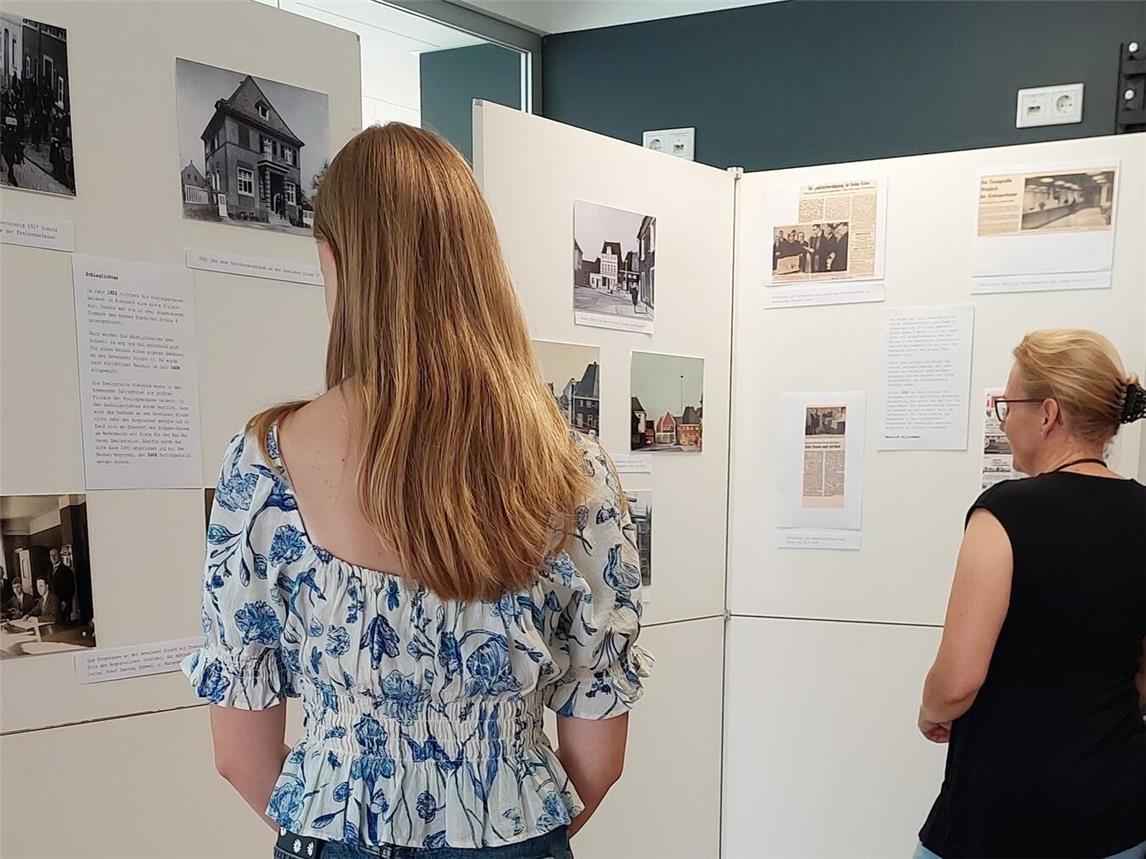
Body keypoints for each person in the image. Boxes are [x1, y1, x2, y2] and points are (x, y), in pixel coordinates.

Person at [182, 123, 651, 859]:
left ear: (332, 261)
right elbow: (599, 758)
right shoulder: (573, 470)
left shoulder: (264, 466)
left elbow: (238, 755)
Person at [915, 329, 1146, 859]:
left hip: (1007, 809)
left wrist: (931, 708)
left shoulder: (1006, 512)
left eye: (1007, 404)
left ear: (1047, 414)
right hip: (1120, 811)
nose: (1005, 419)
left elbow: (957, 681)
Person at [48, 548, 75, 628]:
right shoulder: (49, 570)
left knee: (64, 628)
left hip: (63, 604)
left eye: (55, 555)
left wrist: (65, 601)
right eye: (51, 555)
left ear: (59, 556)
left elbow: (71, 588)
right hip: (53, 604)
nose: (53, 557)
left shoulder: (66, 570)